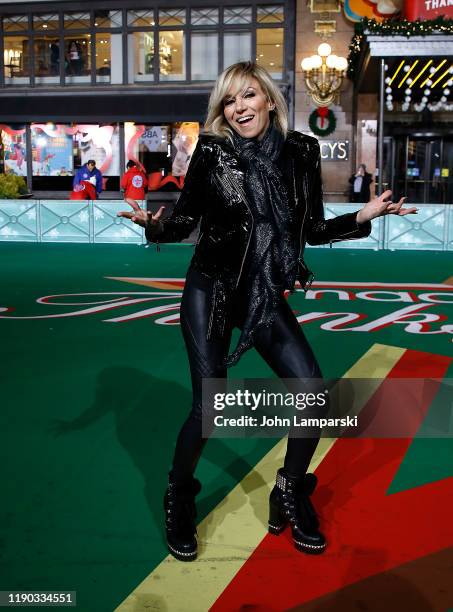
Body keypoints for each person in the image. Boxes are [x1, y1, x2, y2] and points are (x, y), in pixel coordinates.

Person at [118, 62, 417, 562]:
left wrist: (363, 217)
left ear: (270, 101)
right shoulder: (213, 152)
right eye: (229, 101)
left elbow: (312, 229)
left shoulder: (301, 151)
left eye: (248, 96)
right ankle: (179, 494)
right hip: (210, 288)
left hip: (262, 292)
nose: (238, 108)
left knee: (313, 393)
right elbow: (186, 219)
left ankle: (290, 490)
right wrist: (155, 225)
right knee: (209, 407)